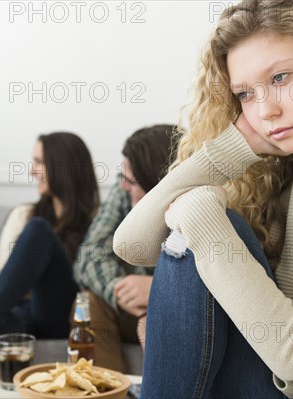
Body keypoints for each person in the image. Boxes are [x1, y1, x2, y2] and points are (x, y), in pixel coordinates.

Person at [113, 0, 293, 398]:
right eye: (246, 94)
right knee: (199, 246)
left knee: (211, 222)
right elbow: (132, 244)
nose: (266, 109)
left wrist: (200, 213)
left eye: (282, 77)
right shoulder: (285, 180)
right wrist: (235, 145)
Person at [0, 132, 100, 366]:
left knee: (39, 230)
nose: (32, 171)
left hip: (59, 312)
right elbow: (2, 270)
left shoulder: (99, 220)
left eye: (39, 162)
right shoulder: (24, 213)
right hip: (19, 314)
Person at [73, 124, 177, 372]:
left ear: (156, 182)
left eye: (131, 180)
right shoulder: (125, 194)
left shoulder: (196, 201)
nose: (123, 186)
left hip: (180, 307)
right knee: (89, 302)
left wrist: (158, 290)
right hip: (132, 308)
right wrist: (125, 294)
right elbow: (89, 254)